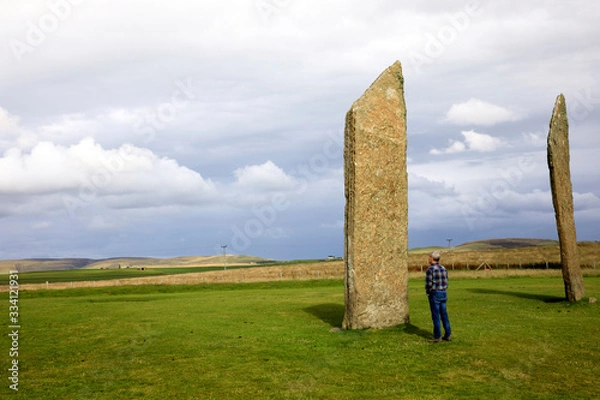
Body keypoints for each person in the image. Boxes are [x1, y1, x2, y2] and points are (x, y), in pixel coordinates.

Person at [425, 251, 452, 342]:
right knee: (444, 314)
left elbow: (429, 284)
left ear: (432, 258)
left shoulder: (430, 269)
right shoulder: (443, 268)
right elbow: (446, 281)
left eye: (429, 257)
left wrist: (428, 292)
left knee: (436, 315)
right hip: (443, 292)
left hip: (435, 293)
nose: (428, 259)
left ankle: (437, 336)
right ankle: (448, 334)